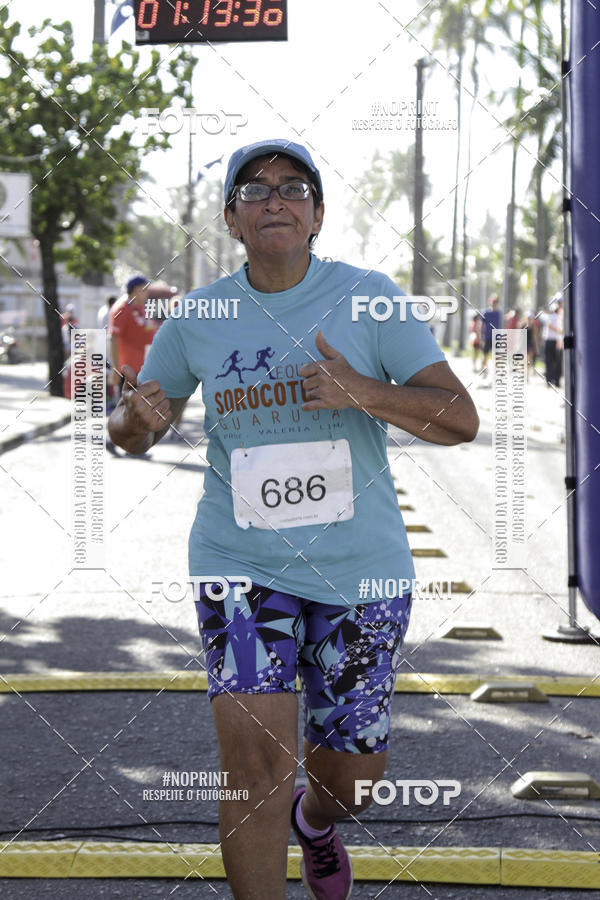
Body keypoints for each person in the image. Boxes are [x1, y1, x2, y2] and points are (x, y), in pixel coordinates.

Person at [108, 138, 479, 900]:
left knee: (352, 779)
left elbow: (460, 416)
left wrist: (362, 392)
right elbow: (133, 429)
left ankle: (318, 819)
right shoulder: (199, 316)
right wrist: (131, 418)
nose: (274, 198)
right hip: (237, 562)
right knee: (253, 767)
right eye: (254, 189)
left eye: (292, 187)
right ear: (232, 220)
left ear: (316, 214)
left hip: (360, 569)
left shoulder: (370, 298)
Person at [107, 275, 158, 393]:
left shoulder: (139, 307)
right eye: (145, 289)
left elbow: (148, 328)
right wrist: (115, 369)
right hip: (127, 370)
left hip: (141, 367)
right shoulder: (122, 308)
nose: (147, 292)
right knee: (128, 406)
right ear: (136, 290)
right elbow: (113, 338)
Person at [540, 295, 563, 387]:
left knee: (558, 361)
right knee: (549, 361)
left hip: (558, 341)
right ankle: (549, 380)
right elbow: (548, 323)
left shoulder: (560, 316)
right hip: (548, 341)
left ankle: (557, 380)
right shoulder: (547, 315)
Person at [480, 294, 502, 374]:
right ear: (490, 302)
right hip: (487, 337)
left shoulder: (499, 313)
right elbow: (481, 326)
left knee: (497, 356)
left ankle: (496, 372)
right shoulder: (485, 313)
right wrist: (481, 337)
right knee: (485, 355)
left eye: (496, 302)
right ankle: (484, 369)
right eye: (493, 301)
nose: (494, 303)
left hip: (497, 337)